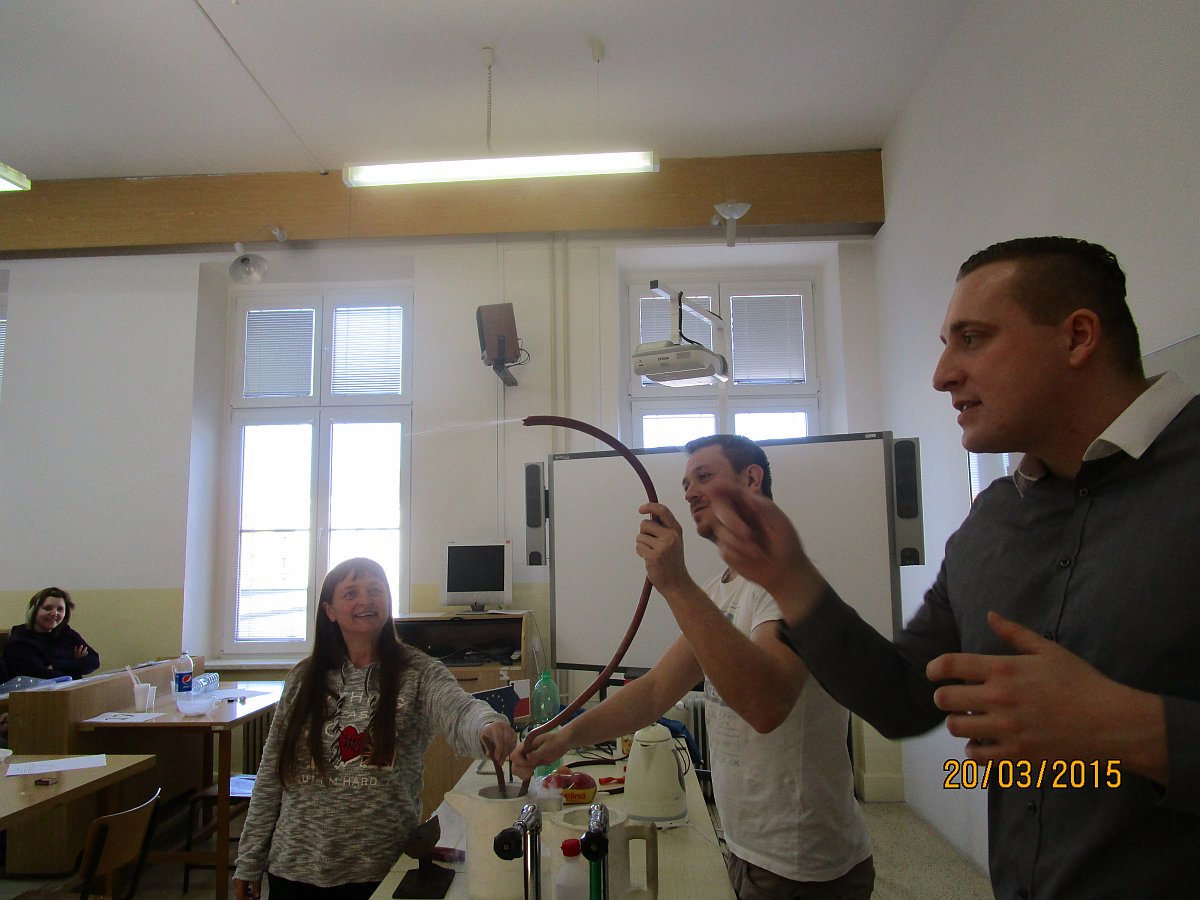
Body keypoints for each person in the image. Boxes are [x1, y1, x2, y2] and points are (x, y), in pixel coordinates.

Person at [696, 236, 1200, 898]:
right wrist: (791, 579)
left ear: (1077, 337)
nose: (941, 375)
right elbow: (905, 699)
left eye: (972, 338)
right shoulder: (995, 518)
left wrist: (1136, 729)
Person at [513, 435, 874, 900]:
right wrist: (567, 736)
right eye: (686, 483)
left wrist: (675, 583)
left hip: (804, 868)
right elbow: (655, 690)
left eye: (704, 476)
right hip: (749, 851)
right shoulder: (720, 591)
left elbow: (765, 707)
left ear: (751, 479)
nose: (689, 493)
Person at [233, 558, 518, 900]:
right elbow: (271, 774)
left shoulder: (419, 672)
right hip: (294, 868)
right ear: (330, 610)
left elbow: (460, 710)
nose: (365, 600)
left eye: (375, 590)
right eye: (351, 593)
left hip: (379, 870)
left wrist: (488, 724)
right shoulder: (302, 678)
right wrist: (249, 859)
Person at [4, 587, 100, 680]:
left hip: (71, 689)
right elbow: (39, 675)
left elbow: (94, 660)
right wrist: (75, 664)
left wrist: (54, 665)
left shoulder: (66, 633)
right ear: (34, 611)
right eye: (48, 608)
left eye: (60, 609)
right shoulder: (19, 641)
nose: (54, 613)